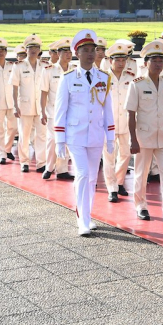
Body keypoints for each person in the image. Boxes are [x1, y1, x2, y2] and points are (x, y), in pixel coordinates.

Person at [54, 29, 115, 236]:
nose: (90, 54)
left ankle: (87, 215)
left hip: (96, 135)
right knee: (82, 174)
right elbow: (60, 110)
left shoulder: (103, 78)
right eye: (85, 50)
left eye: (93, 50)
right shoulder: (69, 78)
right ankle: (82, 221)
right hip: (75, 135)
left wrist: (111, 136)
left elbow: (107, 108)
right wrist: (59, 140)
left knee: (91, 178)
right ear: (76, 53)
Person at [127, 39, 163, 223]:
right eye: (154, 60)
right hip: (144, 136)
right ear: (145, 63)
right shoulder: (137, 84)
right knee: (142, 173)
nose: (158, 64)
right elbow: (131, 114)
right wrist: (132, 140)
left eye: (161, 60)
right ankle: (141, 206)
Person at [102, 43, 136, 202]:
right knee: (109, 157)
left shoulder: (131, 77)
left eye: (124, 59)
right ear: (110, 60)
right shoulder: (102, 78)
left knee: (126, 154)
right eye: (117, 60)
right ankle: (112, 188)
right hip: (108, 124)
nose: (121, 63)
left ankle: (119, 181)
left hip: (127, 123)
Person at [11, 35, 47, 173]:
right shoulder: (18, 66)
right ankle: (24, 162)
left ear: (39, 50)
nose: (33, 50)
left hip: (40, 107)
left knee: (41, 136)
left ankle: (41, 163)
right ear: (26, 50)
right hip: (24, 106)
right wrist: (15, 105)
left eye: (36, 47)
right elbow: (14, 87)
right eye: (30, 47)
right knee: (24, 135)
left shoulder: (44, 66)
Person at [40, 38, 74, 180]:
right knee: (53, 140)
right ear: (58, 53)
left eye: (69, 51)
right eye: (65, 51)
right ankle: (49, 167)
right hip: (53, 112)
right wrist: (42, 111)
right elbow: (44, 92)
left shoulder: (75, 70)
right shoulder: (49, 70)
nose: (68, 54)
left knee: (67, 141)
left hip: (70, 112)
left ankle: (62, 170)